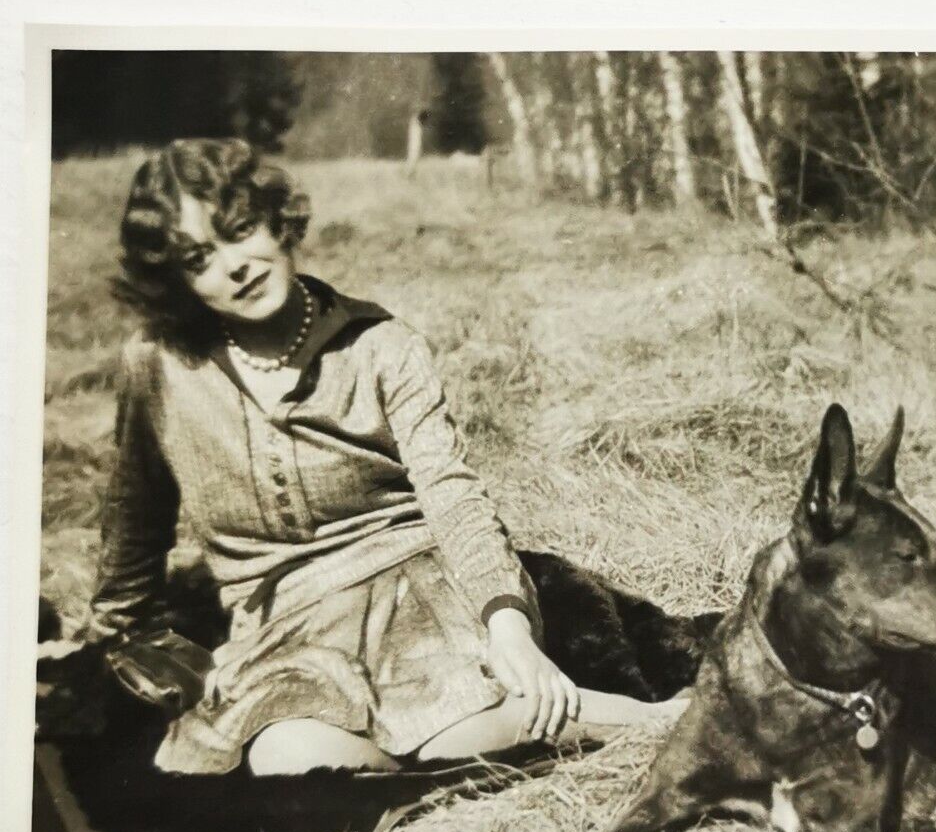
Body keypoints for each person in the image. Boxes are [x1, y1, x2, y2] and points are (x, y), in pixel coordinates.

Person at [90, 137, 673, 777]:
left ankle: (664, 721)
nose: (235, 265)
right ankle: (420, 761)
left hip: (414, 589)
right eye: (201, 258)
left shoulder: (381, 345)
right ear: (177, 283)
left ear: (278, 220)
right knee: (291, 759)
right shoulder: (157, 366)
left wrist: (508, 623)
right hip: (286, 623)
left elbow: (453, 494)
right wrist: (123, 634)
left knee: (455, 735)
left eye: (242, 230)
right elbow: (134, 511)